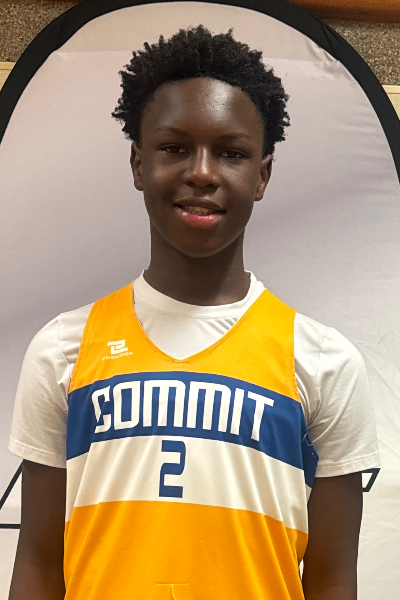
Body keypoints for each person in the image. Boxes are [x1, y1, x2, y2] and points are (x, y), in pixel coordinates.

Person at [8, 25, 379, 600]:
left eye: (231, 153)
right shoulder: (62, 349)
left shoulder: (325, 363)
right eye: (174, 148)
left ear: (262, 175)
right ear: (138, 164)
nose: (202, 172)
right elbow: (37, 561)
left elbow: (333, 579)